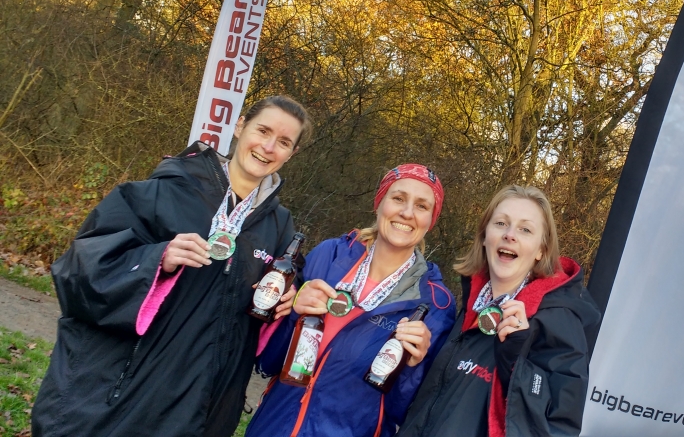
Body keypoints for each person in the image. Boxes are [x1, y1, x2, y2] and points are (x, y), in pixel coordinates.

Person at [32, 95, 313, 437]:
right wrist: (156, 260)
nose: (268, 147)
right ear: (240, 126)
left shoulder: (281, 228)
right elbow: (79, 269)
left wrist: (287, 300)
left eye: (283, 142)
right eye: (263, 131)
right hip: (121, 395)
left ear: (292, 153)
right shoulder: (167, 189)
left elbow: (264, 320)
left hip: (201, 408)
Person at [245, 164, 457, 437]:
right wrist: (293, 312)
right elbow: (268, 362)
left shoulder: (435, 305)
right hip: (273, 427)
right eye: (398, 198)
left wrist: (414, 366)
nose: (407, 213)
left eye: (421, 206)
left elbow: (403, 413)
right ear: (379, 203)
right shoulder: (329, 256)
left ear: (431, 220)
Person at [397, 185, 601, 437]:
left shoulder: (556, 321)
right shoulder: (472, 307)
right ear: (484, 236)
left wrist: (515, 364)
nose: (510, 235)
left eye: (525, 229)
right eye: (501, 223)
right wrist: (413, 364)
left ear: (542, 250)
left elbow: (557, 429)